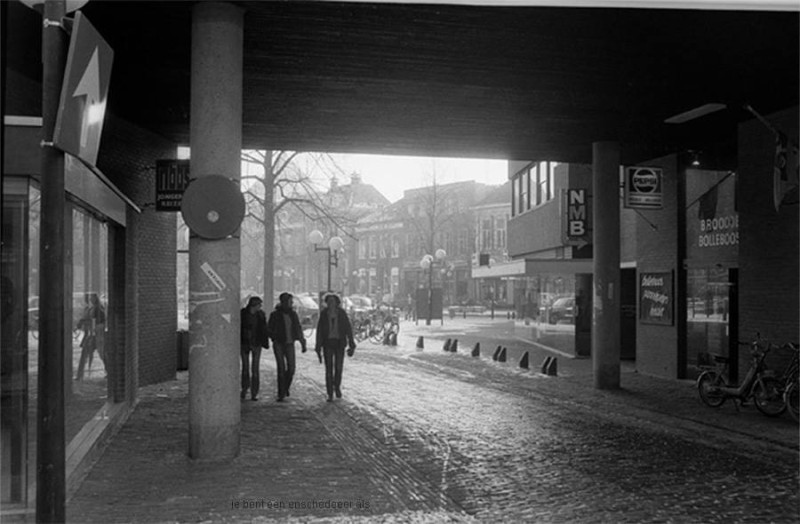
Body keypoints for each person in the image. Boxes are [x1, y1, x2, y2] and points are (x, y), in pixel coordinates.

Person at [315, 293, 356, 402]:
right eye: (329, 302)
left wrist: (351, 342)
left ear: (336, 303)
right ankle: (329, 393)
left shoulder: (342, 314)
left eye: (333, 302)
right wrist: (318, 346)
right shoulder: (324, 315)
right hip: (328, 343)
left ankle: (337, 386)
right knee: (328, 369)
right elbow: (319, 331)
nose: (331, 304)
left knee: (338, 367)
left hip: (339, 343)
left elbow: (348, 328)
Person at [267, 292, 307, 402]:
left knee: (291, 368)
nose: (291, 303)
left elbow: (297, 328)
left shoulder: (293, 315)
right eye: (290, 301)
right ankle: (281, 393)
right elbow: (269, 328)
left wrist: (302, 341)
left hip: (290, 343)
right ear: (284, 302)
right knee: (281, 368)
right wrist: (274, 336)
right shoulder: (275, 315)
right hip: (279, 343)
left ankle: (285, 387)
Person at [240, 296, 269, 401]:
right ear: (254, 305)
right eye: (259, 305)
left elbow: (264, 329)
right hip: (245, 343)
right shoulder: (243, 314)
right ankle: (245, 388)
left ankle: (254, 392)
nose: (260, 307)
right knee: (246, 368)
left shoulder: (260, 315)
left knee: (255, 369)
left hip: (256, 343)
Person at [76, 293, 106, 381]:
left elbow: (96, 321)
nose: (91, 300)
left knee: (102, 354)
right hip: (92, 335)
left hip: (96, 335)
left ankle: (80, 375)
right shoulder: (92, 309)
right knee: (85, 353)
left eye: (92, 298)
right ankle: (79, 375)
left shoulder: (98, 309)